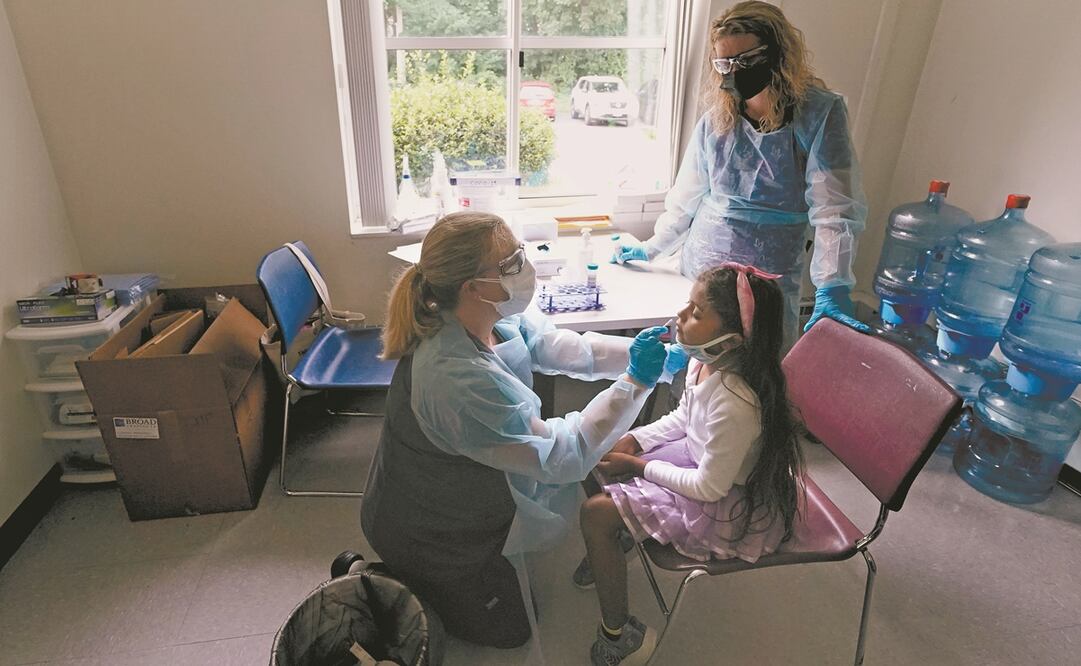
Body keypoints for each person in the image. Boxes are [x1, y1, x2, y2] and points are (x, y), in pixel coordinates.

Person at [360, 212, 674, 648]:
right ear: (471, 286)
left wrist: (647, 356)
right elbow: (562, 455)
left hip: (454, 493)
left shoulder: (487, 318)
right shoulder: (453, 376)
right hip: (428, 529)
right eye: (510, 264)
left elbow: (557, 346)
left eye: (520, 254)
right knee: (514, 633)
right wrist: (636, 381)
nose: (525, 269)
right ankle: (393, 579)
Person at [577, 263, 805, 665]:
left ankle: (619, 636)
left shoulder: (737, 401)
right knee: (596, 456)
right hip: (695, 462)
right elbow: (684, 418)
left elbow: (709, 488)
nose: (681, 315)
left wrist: (639, 466)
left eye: (697, 312)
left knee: (595, 514)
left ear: (731, 339)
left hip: (720, 502)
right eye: (688, 304)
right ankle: (621, 535)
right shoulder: (705, 363)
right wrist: (635, 440)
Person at [612, 0, 870, 350]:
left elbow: (835, 209)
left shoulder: (819, 114)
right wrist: (652, 247)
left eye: (745, 61)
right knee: (692, 365)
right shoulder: (717, 119)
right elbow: (687, 197)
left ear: (777, 55)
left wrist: (833, 284)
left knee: (755, 368)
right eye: (725, 63)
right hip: (704, 264)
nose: (734, 72)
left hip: (769, 275)